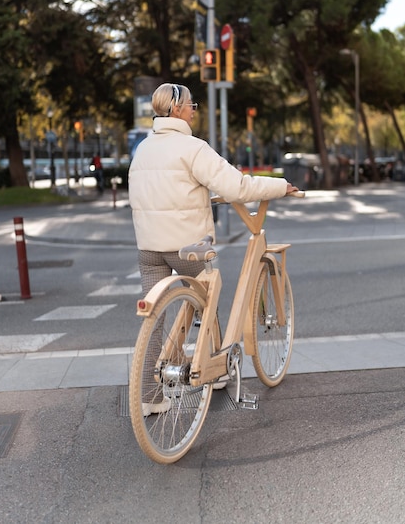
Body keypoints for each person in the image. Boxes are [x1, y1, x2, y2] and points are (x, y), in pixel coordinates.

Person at [128, 82, 298, 413]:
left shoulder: (143, 149)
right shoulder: (192, 148)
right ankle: (216, 372)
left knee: (155, 318)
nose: (195, 109)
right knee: (209, 297)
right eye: (192, 104)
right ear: (176, 109)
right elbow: (237, 186)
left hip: (148, 248)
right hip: (186, 246)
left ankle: (149, 395)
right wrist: (280, 186)